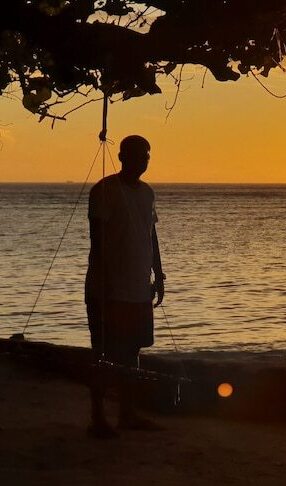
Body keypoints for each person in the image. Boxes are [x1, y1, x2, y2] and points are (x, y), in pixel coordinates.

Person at [84, 135, 165, 439]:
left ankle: (127, 414)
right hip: (109, 288)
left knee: (133, 352)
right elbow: (97, 239)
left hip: (138, 288)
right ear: (121, 157)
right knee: (104, 352)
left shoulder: (147, 193)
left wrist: (158, 273)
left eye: (146, 156)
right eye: (136, 155)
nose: (142, 161)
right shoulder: (104, 190)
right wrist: (103, 283)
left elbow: (150, 235)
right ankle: (97, 417)